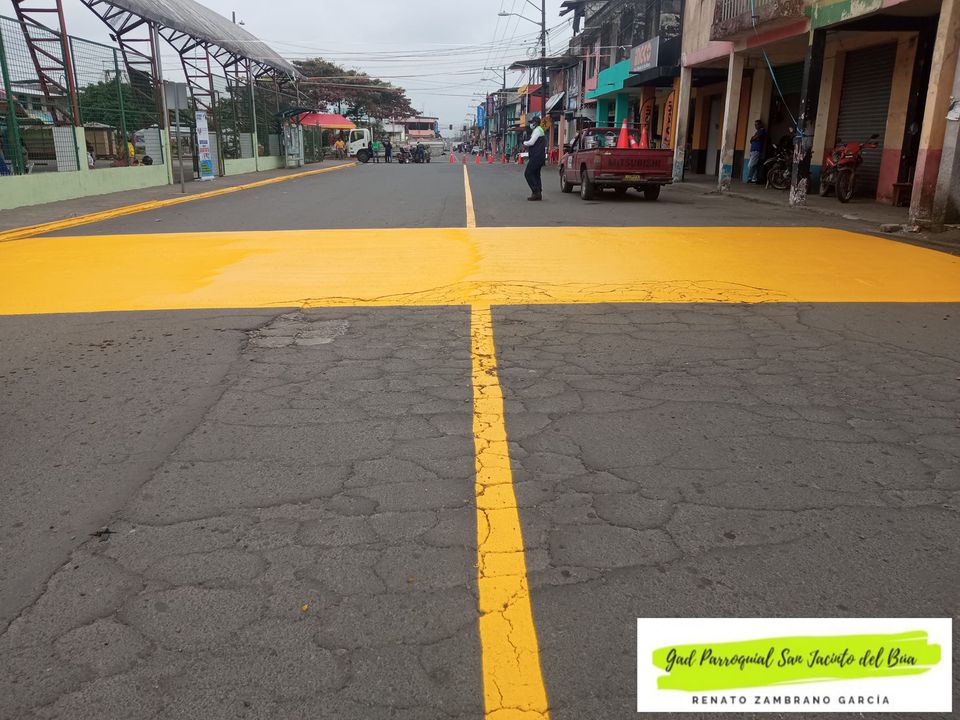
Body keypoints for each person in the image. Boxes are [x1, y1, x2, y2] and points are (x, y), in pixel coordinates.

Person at [522, 115, 546, 201]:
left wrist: (524, 143)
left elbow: (531, 142)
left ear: (535, 123)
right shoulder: (540, 130)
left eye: (532, 122)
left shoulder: (537, 130)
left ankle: (535, 192)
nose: (531, 124)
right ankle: (538, 193)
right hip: (539, 156)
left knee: (528, 173)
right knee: (536, 174)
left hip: (536, 156)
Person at [747, 119, 766, 183]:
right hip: (753, 150)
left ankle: (750, 178)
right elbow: (751, 140)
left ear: (760, 125)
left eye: (757, 124)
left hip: (756, 150)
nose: (756, 126)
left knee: (750, 165)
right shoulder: (757, 132)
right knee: (754, 166)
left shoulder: (762, 130)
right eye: (755, 125)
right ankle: (754, 179)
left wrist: (753, 138)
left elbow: (754, 138)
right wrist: (753, 138)